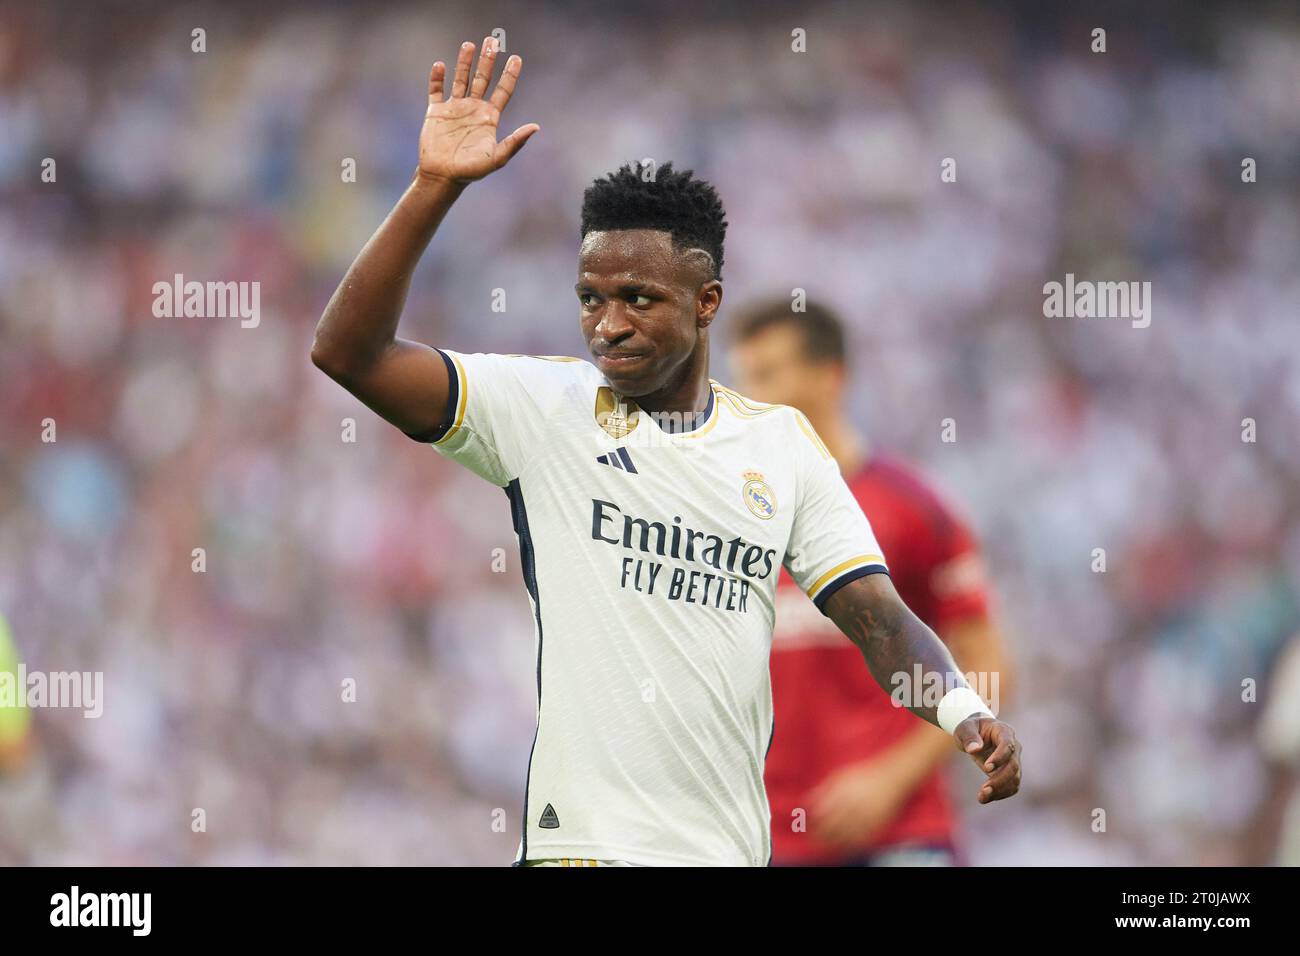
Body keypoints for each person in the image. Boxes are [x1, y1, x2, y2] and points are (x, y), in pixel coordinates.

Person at [310, 37, 1021, 866]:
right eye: (591, 298)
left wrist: (961, 710)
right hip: (581, 852)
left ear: (707, 301)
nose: (608, 325)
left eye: (639, 299)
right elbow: (347, 354)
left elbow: (879, 619)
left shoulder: (780, 446)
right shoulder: (544, 408)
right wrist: (433, 188)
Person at [730, 301, 1012, 866]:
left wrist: (890, 779)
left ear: (830, 376)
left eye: (768, 374)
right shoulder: (726, 518)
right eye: (743, 379)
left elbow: (989, 668)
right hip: (765, 842)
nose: (748, 397)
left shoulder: (915, 509)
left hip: (901, 835)